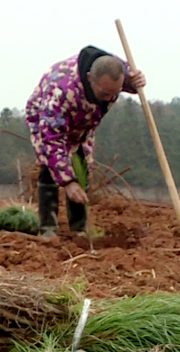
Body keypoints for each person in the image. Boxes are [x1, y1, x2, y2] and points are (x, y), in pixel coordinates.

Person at [25, 46, 146, 238]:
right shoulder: (61, 92)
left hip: (84, 121)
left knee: (82, 166)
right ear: (90, 78)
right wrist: (68, 182)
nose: (111, 98)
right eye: (105, 94)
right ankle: (48, 229)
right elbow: (52, 141)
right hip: (45, 118)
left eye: (115, 93)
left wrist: (133, 83)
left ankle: (79, 230)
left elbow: (128, 82)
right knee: (50, 167)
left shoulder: (118, 69)